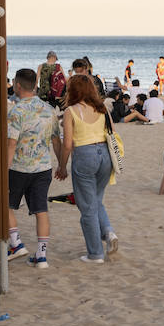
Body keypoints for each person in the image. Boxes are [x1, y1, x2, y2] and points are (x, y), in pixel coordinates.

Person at [55, 75, 119, 263]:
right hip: (105, 155)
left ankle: (95, 254)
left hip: (84, 155)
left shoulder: (71, 111)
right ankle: (108, 232)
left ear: (72, 91)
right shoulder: (102, 109)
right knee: (96, 199)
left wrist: (61, 166)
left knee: (87, 206)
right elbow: (113, 133)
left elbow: (67, 144)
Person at [4, 68, 62, 269]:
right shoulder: (48, 109)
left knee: (6, 206)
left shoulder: (16, 111)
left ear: (18, 85)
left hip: (19, 168)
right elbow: (56, 140)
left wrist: (5, 168)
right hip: (43, 168)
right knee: (41, 210)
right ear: (35, 85)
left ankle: (16, 243)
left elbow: (11, 143)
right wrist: (62, 164)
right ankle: (42, 255)